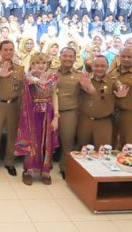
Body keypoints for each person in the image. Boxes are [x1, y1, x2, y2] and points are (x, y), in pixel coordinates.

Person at [15, 53, 59, 185]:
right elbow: (29, 80)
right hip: (32, 114)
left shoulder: (53, 77)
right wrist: (39, 80)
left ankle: (45, 171)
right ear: (32, 64)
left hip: (48, 113)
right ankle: (28, 170)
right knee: (32, 141)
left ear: (47, 64)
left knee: (47, 142)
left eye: (43, 63)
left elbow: (55, 96)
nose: (41, 65)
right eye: (37, 63)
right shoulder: (28, 76)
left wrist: (56, 116)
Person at [53, 47, 95, 178]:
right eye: (65, 55)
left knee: (67, 143)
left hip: (69, 113)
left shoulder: (79, 75)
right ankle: (44, 166)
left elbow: (91, 92)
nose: (67, 58)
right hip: (50, 113)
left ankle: (65, 168)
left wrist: (88, 85)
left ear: (75, 58)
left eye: (70, 56)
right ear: (60, 57)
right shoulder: (51, 73)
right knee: (47, 141)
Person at [0, 40, 22, 176]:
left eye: (11, 49)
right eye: (5, 49)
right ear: (0, 52)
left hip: (14, 105)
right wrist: (0, 72)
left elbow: (21, 88)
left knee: (12, 135)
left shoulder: (19, 68)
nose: (8, 52)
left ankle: (9, 162)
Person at [77, 56, 128, 147]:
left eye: (102, 66)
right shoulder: (85, 79)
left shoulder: (112, 81)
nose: (99, 69)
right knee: (82, 150)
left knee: (102, 152)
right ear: (92, 66)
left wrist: (121, 93)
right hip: (85, 121)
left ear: (107, 67)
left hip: (103, 122)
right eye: (96, 66)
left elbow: (120, 87)